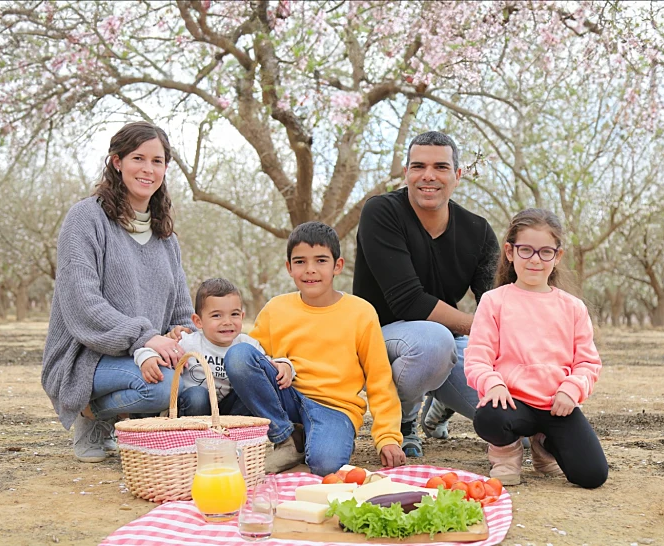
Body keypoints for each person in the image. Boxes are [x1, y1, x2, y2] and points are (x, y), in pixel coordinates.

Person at [42, 121, 195, 463]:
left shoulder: (165, 237)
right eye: (138, 158)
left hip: (144, 354)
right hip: (85, 357)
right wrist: (146, 337)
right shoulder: (86, 218)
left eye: (157, 161)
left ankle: (137, 433)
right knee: (161, 387)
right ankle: (91, 415)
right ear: (117, 162)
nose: (148, 169)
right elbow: (82, 304)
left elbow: (181, 312)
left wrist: (180, 335)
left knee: (191, 382)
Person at [352, 130, 499, 457]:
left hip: (446, 343)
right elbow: (409, 302)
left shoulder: (478, 230)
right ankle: (404, 423)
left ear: (457, 175)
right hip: (380, 337)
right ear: (406, 173)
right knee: (434, 342)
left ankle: (441, 405)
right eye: (418, 166)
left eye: (440, 167)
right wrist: (481, 327)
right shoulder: (381, 212)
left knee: (517, 427)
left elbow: (498, 305)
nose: (428, 176)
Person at [224, 221, 406, 476]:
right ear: (289, 268)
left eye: (321, 260)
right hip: (286, 396)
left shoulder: (361, 312)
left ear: (337, 266)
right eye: (300, 262)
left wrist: (387, 436)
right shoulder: (276, 308)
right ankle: (286, 437)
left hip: (335, 408)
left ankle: (312, 438)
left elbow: (379, 379)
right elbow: (252, 362)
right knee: (238, 354)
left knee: (325, 465)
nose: (310, 269)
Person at [465, 208, 608, 488]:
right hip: (511, 404)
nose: (535, 259)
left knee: (592, 475)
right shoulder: (494, 301)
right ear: (510, 252)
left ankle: (544, 445)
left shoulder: (573, 307)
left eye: (545, 252)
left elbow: (588, 363)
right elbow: (477, 358)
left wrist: (571, 389)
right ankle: (506, 453)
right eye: (526, 250)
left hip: (557, 407)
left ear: (557, 256)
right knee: (488, 416)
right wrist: (493, 385)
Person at [133, 277, 294, 417]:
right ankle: (194, 437)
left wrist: (285, 365)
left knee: (254, 390)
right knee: (197, 396)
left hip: (230, 410)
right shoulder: (188, 342)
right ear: (198, 321)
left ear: (242, 316)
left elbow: (268, 366)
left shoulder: (247, 344)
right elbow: (149, 349)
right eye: (217, 315)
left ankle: (235, 432)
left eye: (234, 314)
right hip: (195, 409)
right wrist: (147, 357)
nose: (227, 322)